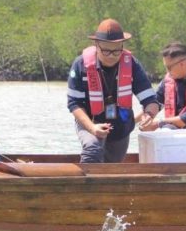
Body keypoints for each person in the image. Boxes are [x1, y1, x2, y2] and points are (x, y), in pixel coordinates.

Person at [67, 18, 159, 163]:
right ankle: (86, 185)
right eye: (106, 51)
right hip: (91, 121)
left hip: (121, 127)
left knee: (113, 166)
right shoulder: (80, 65)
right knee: (93, 147)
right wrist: (92, 127)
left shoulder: (132, 64)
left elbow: (151, 100)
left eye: (117, 51)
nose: (112, 56)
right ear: (96, 45)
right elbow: (74, 104)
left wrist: (149, 115)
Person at [139, 42, 186, 131]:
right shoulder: (168, 80)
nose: (167, 71)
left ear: (182, 64)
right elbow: (155, 104)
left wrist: (158, 123)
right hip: (171, 130)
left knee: (165, 130)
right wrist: (146, 118)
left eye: (169, 67)